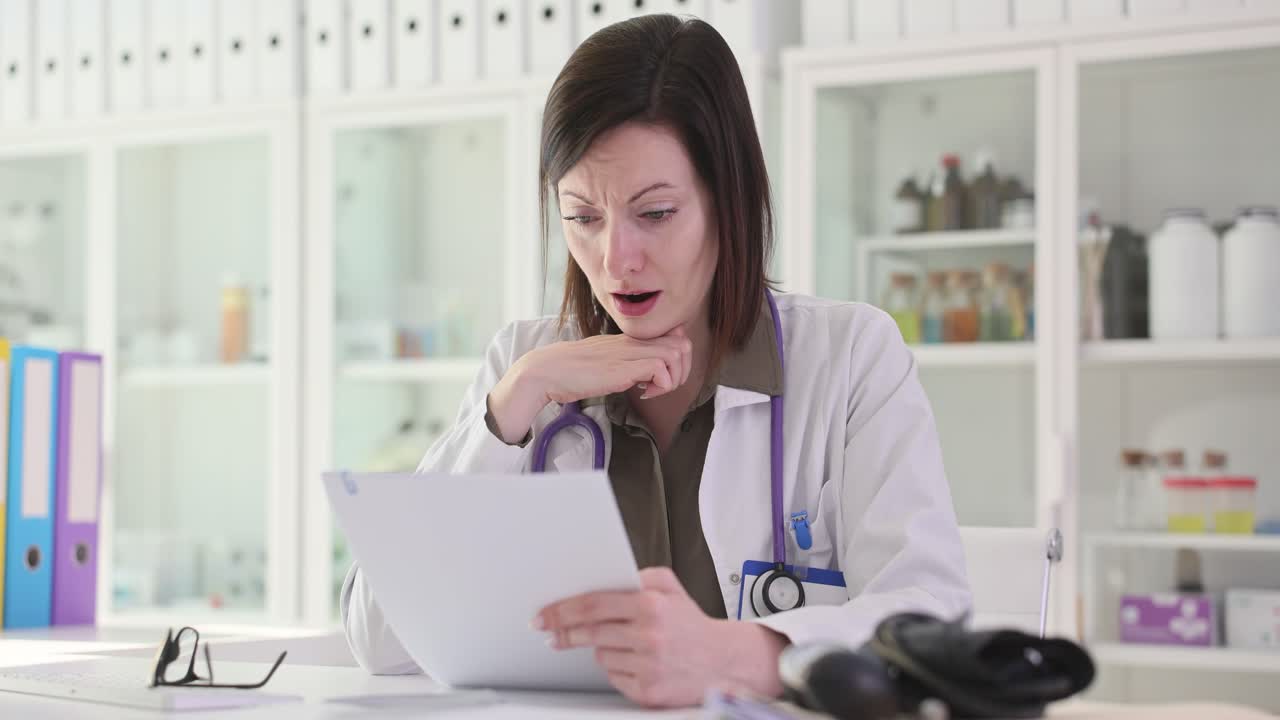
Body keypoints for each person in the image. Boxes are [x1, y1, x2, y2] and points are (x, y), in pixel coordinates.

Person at [341, 14, 970, 708]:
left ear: (728, 204)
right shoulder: (523, 364)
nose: (616, 260)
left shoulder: (851, 360)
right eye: (583, 217)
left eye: (656, 213)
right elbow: (380, 639)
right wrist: (518, 398)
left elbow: (928, 615)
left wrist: (740, 655)